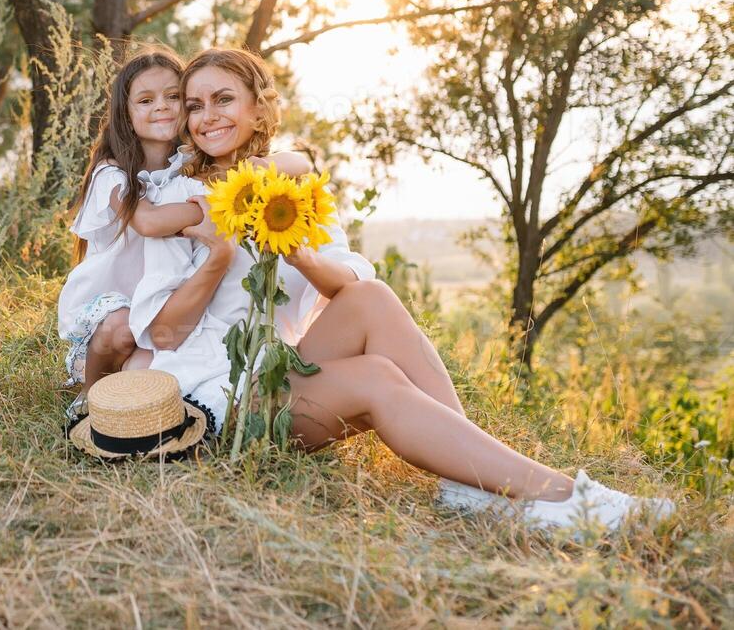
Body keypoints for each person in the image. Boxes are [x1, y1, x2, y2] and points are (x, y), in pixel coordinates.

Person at [128, 47, 674, 533]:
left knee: (373, 297)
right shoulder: (177, 199)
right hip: (218, 397)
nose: (207, 117)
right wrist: (217, 253)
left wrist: (298, 250)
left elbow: (347, 280)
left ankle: (469, 484)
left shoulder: (294, 189)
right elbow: (162, 333)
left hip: (277, 367)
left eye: (223, 99)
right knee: (375, 377)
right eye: (195, 106)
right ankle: (562, 497)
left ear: (258, 108)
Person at [59, 47, 309, 393]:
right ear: (125, 114)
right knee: (121, 329)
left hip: (162, 306)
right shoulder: (112, 174)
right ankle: (88, 395)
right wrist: (224, 205)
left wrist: (262, 170)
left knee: (153, 372)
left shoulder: (187, 165)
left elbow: (300, 162)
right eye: (145, 101)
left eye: (173, 97)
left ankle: (123, 402)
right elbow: (148, 222)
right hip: (117, 303)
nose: (161, 106)